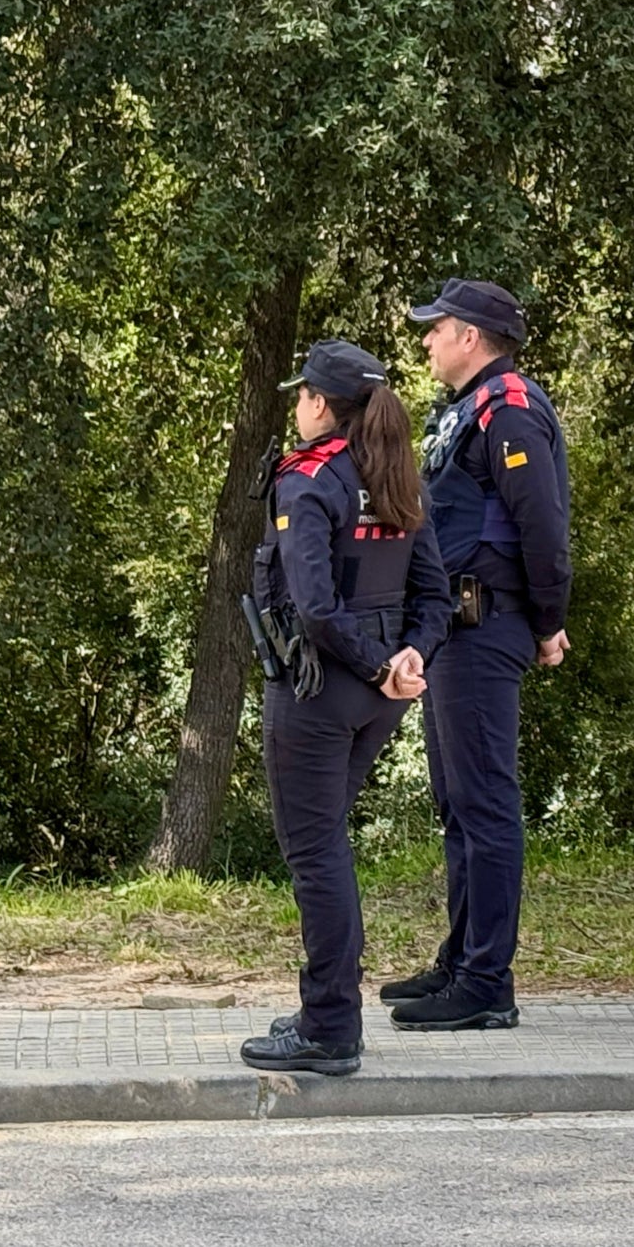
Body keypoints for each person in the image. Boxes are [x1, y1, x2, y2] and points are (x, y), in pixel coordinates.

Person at [239, 340, 452, 1078]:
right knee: (328, 846)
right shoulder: (392, 476)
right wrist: (405, 661)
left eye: (300, 394)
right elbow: (433, 595)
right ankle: (326, 1011)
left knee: (315, 855)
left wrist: (375, 664)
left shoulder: (310, 481)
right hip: (379, 697)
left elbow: (315, 608)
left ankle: (329, 1026)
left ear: (321, 405)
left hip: (318, 691)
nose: (295, 404)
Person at [379, 279, 571, 1032]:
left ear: (471, 335)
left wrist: (548, 621)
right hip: (453, 630)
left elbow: (542, 526)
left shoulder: (510, 407)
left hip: (486, 624)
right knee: (458, 804)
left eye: (436, 328)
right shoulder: (466, 411)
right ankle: (461, 960)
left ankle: (488, 982)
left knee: (486, 805)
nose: (426, 340)